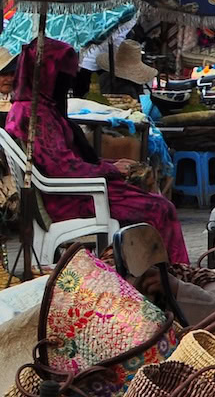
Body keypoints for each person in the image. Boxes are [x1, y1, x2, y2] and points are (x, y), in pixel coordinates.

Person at [4, 39, 187, 262]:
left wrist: (108, 165)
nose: (67, 83)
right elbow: (62, 167)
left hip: (71, 192)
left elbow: (62, 159)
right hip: (68, 200)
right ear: (47, 75)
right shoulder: (35, 115)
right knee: (161, 208)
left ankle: (150, 275)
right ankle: (169, 279)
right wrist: (109, 169)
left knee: (149, 192)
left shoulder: (39, 109)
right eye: (63, 77)